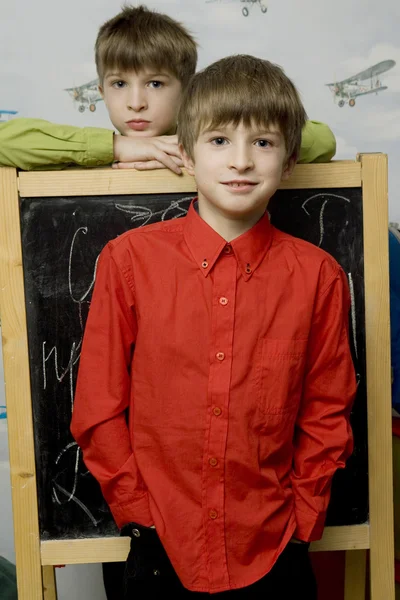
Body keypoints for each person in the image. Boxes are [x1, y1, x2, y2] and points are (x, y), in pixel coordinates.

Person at [70, 54, 356, 599]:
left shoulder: (318, 277)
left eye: (264, 143)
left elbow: (326, 411)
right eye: (220, 141)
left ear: (290, 160)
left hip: (273, 550)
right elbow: (99, 407)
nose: (242, 161)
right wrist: (138, 514)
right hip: (156, 547)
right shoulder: (128, 261)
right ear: (185, 151)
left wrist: (301, 523)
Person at [0, 7, 337, 174]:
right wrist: (117, 147)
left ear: (188, 89)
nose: (135, 103)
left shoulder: (219, 148)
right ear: (101, 90)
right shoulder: (98, 154)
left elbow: (323, 141)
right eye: (119, 84)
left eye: (156, 84)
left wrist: (198, 148)